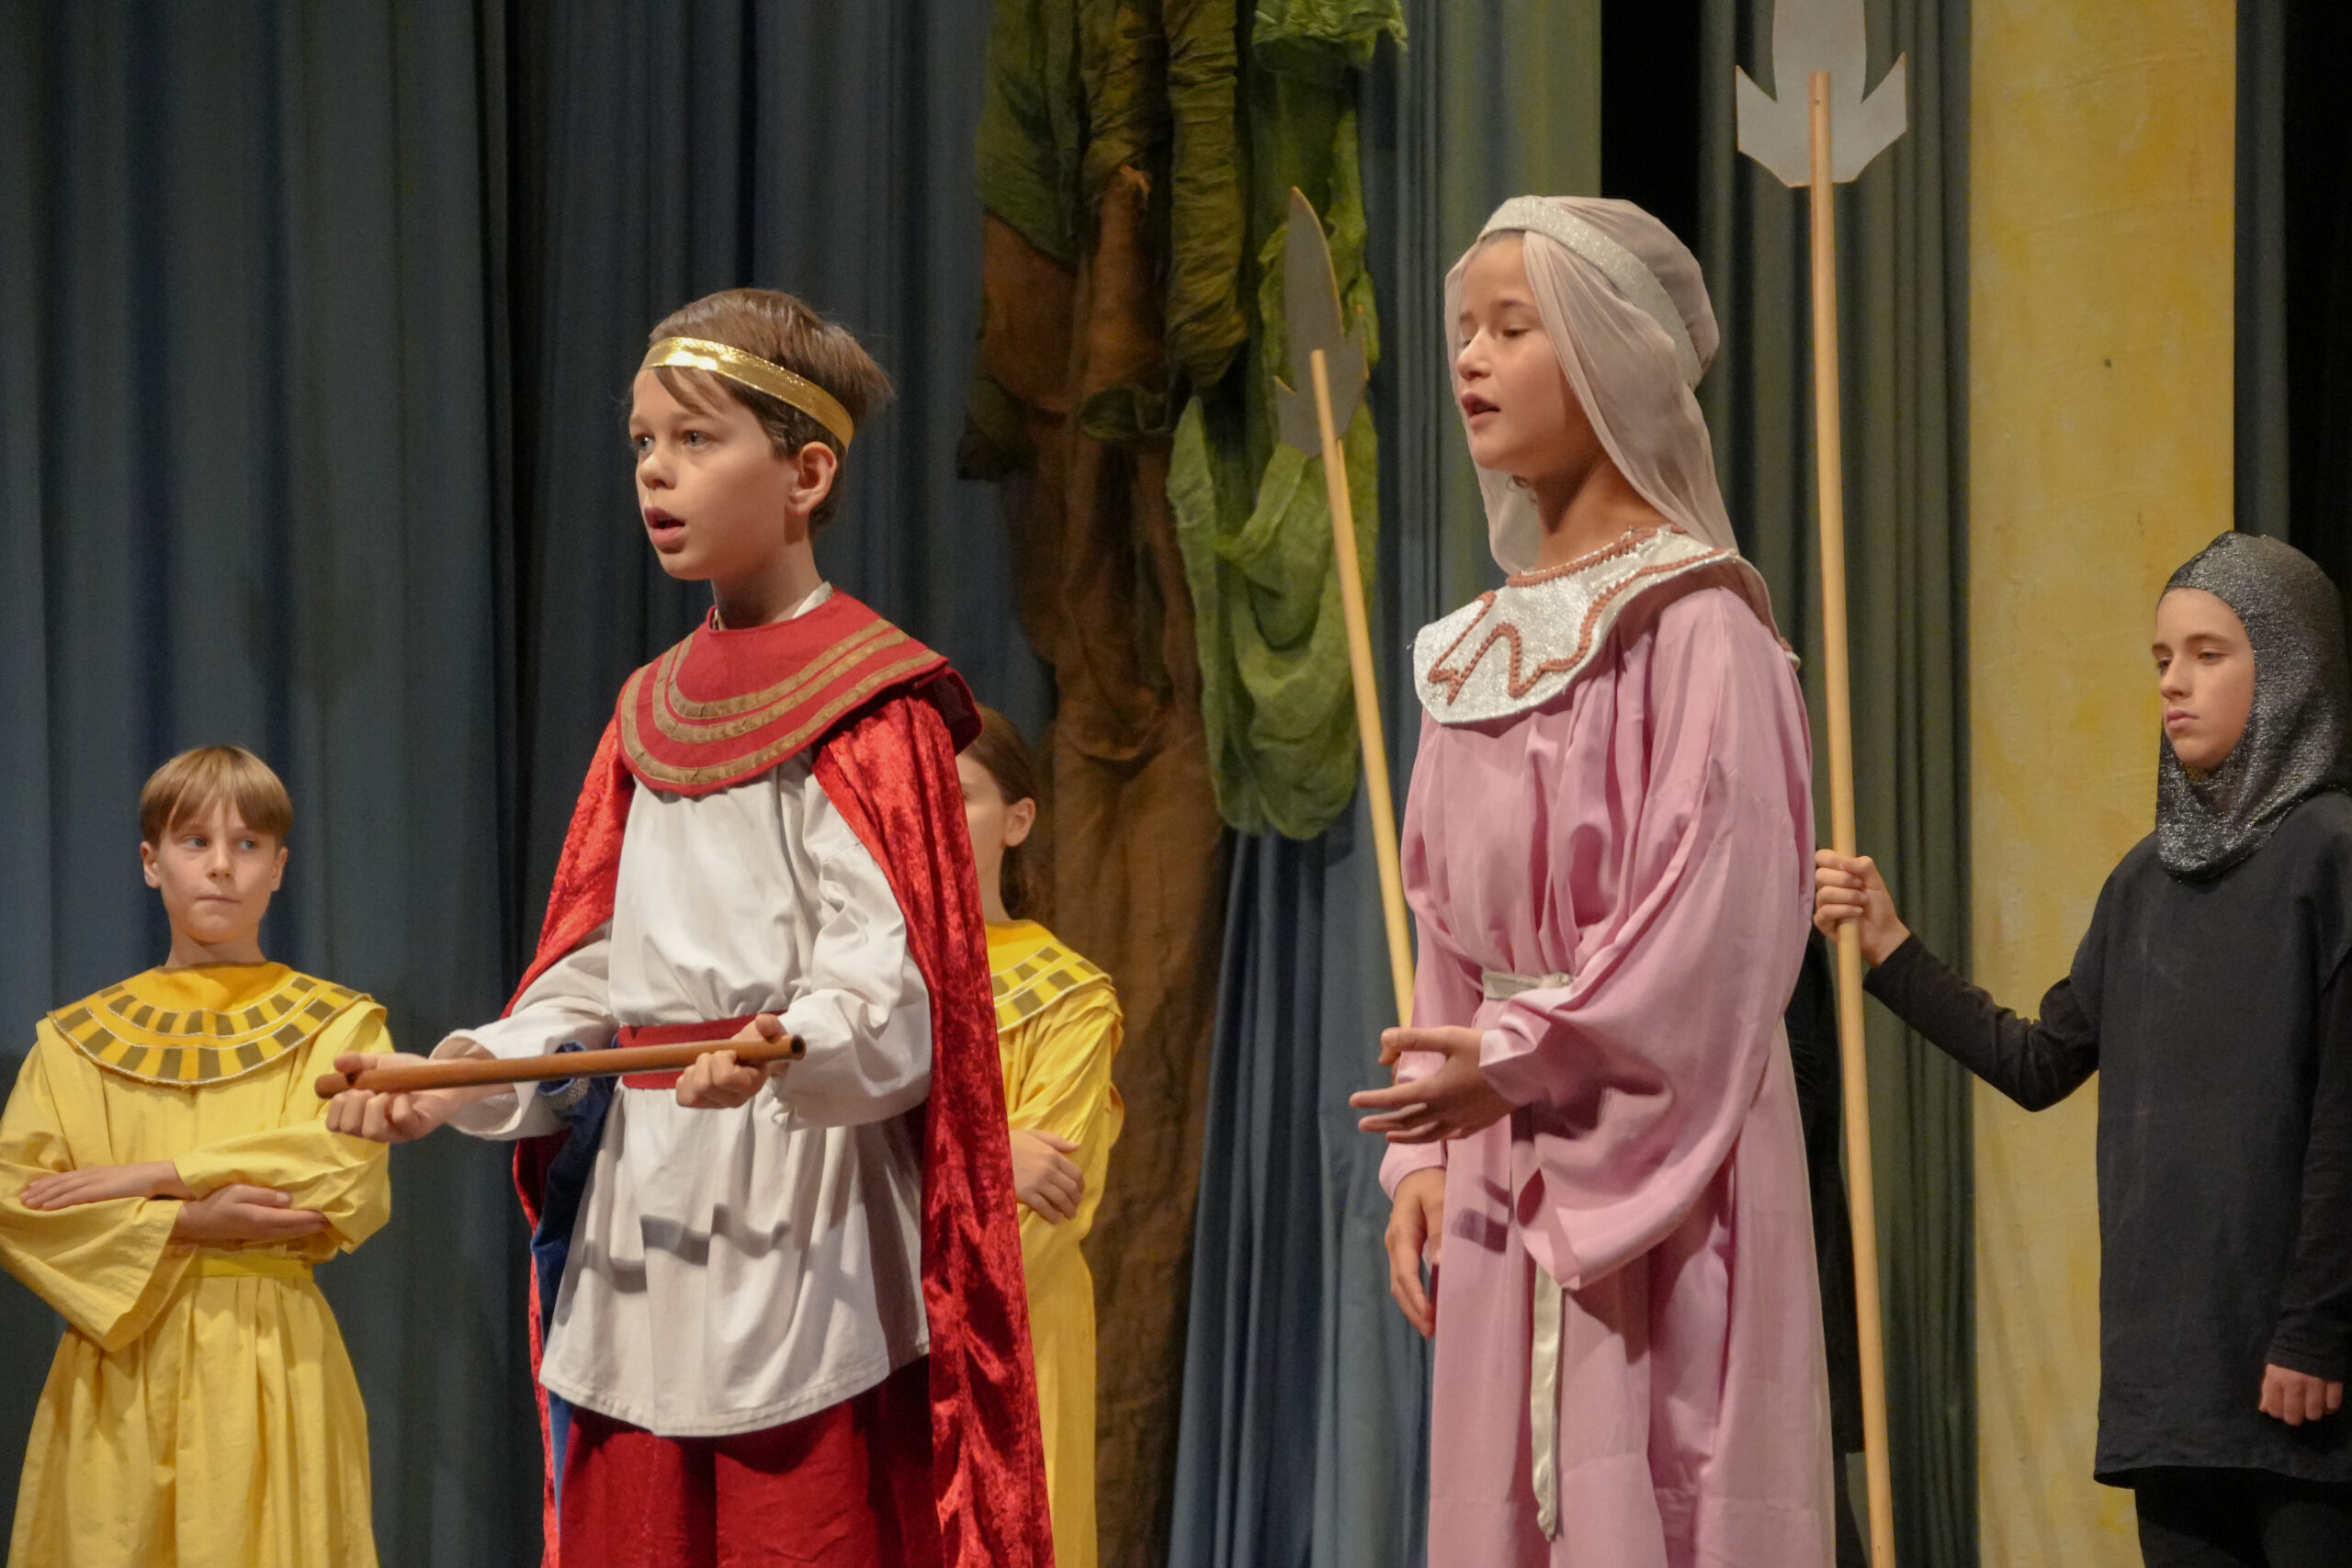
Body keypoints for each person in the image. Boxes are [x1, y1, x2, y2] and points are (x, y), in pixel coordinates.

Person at [323, 289, 1053, 1568]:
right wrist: (454, 1077)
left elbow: (890, 985)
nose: (656, 471)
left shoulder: (872, 706)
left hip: (805, 1224)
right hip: (646, 1223)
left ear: (806, 474)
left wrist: (784, 1047)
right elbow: (599, 965)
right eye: (643, 442)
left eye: (698, 439)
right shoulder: (648, 708)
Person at [1347, 196, 1832, 1566]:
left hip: (1657, 1148)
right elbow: (1448, 925)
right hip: (1501, 1146)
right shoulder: (1472, 651)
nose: (1471, 359)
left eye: (1514, 328)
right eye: (1464, 330)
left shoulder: (1699, 623)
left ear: (1613, 358)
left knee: (1658, 1481)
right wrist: (1425, 1150)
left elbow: (1717, 927)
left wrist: (1518, 1059)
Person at [1816, 531, 2352, 1567]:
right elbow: (2038, 1063)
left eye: (2208, 654)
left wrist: (2315, 1330)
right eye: (2161, 658)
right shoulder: (2142, 882)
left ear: (2289, 666)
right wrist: (1890, 947)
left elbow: (2342, 1120)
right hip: (2170, 1384)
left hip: (2298, 1378)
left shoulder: (2329, 855)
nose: (2173, 682)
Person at [0, 745, 392, 1568]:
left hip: (272, 1362)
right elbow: (18, 1201)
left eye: (248, 844)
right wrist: (187, 1223)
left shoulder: (339, 1026)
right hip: (119, 1368)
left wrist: (157, 1176)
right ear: (152, 862)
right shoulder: (73, 1042)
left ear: (278, 868)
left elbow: (336, 1169)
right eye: (194, 841)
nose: (221, 866)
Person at [956, 704, 1124, 1568]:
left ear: (1017, 820)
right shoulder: (849, 997)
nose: (932, 819)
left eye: (961, 796)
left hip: (1004, 1361)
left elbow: (1037, 1218)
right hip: (857, 1353)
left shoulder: (1067, 998)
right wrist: (988, 1155)